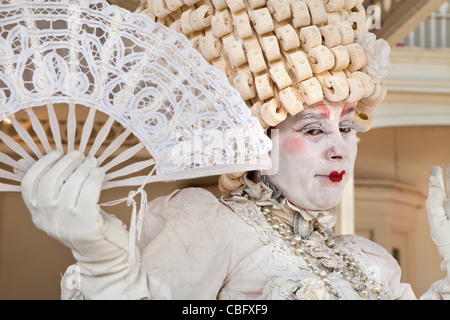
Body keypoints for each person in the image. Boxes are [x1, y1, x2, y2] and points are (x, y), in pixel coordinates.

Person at [18, 0, 450, 300]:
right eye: (314, 129)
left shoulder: (369, 258)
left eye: (348, 126)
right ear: (258, 138)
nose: (340, 148)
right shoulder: (209, 226)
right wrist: (104, 263)